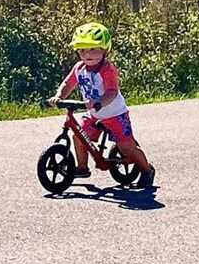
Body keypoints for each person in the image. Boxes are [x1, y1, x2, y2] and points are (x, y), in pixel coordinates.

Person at [47, 22, 156, 188]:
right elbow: (68, 84)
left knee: (125, 145)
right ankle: (82, 167)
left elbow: (111, 91)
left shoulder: (107, 68)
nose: (87, 54)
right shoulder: (79, 68)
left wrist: (98, 103)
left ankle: (146, 170)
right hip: (94, 113)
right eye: (82, 50)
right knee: (79, 135)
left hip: (114, 113)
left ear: (105, 50)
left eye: (93, 49)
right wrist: (58, 96)